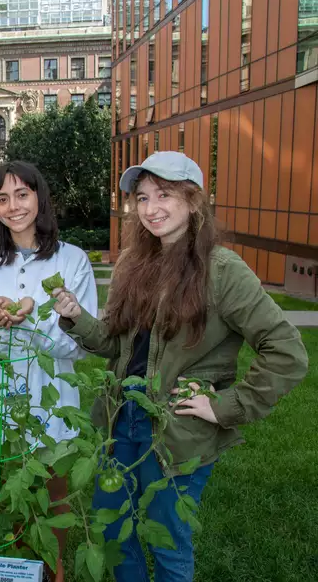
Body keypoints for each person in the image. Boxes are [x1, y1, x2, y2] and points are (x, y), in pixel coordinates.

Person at [50, 152, 308, 582]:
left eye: (164, 194)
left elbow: (287, 350)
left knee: (166, 537)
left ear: (194, 200)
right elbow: (115, 344)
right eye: (143, 197)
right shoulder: (134, 263)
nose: (151, 209)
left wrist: (225, 405)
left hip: (175, 430)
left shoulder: (222, 270)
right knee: (113, 529)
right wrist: (77, 316)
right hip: (121, 419)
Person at [0, 160, 98, 582]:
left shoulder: (72, 261)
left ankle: (47, 572)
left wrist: (30, 324)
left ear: (40, 198)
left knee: (49, 508)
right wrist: (3, 323)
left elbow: (78, 344)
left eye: (22, 194)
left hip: (50, 411)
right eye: (2, 198)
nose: (13, 206)